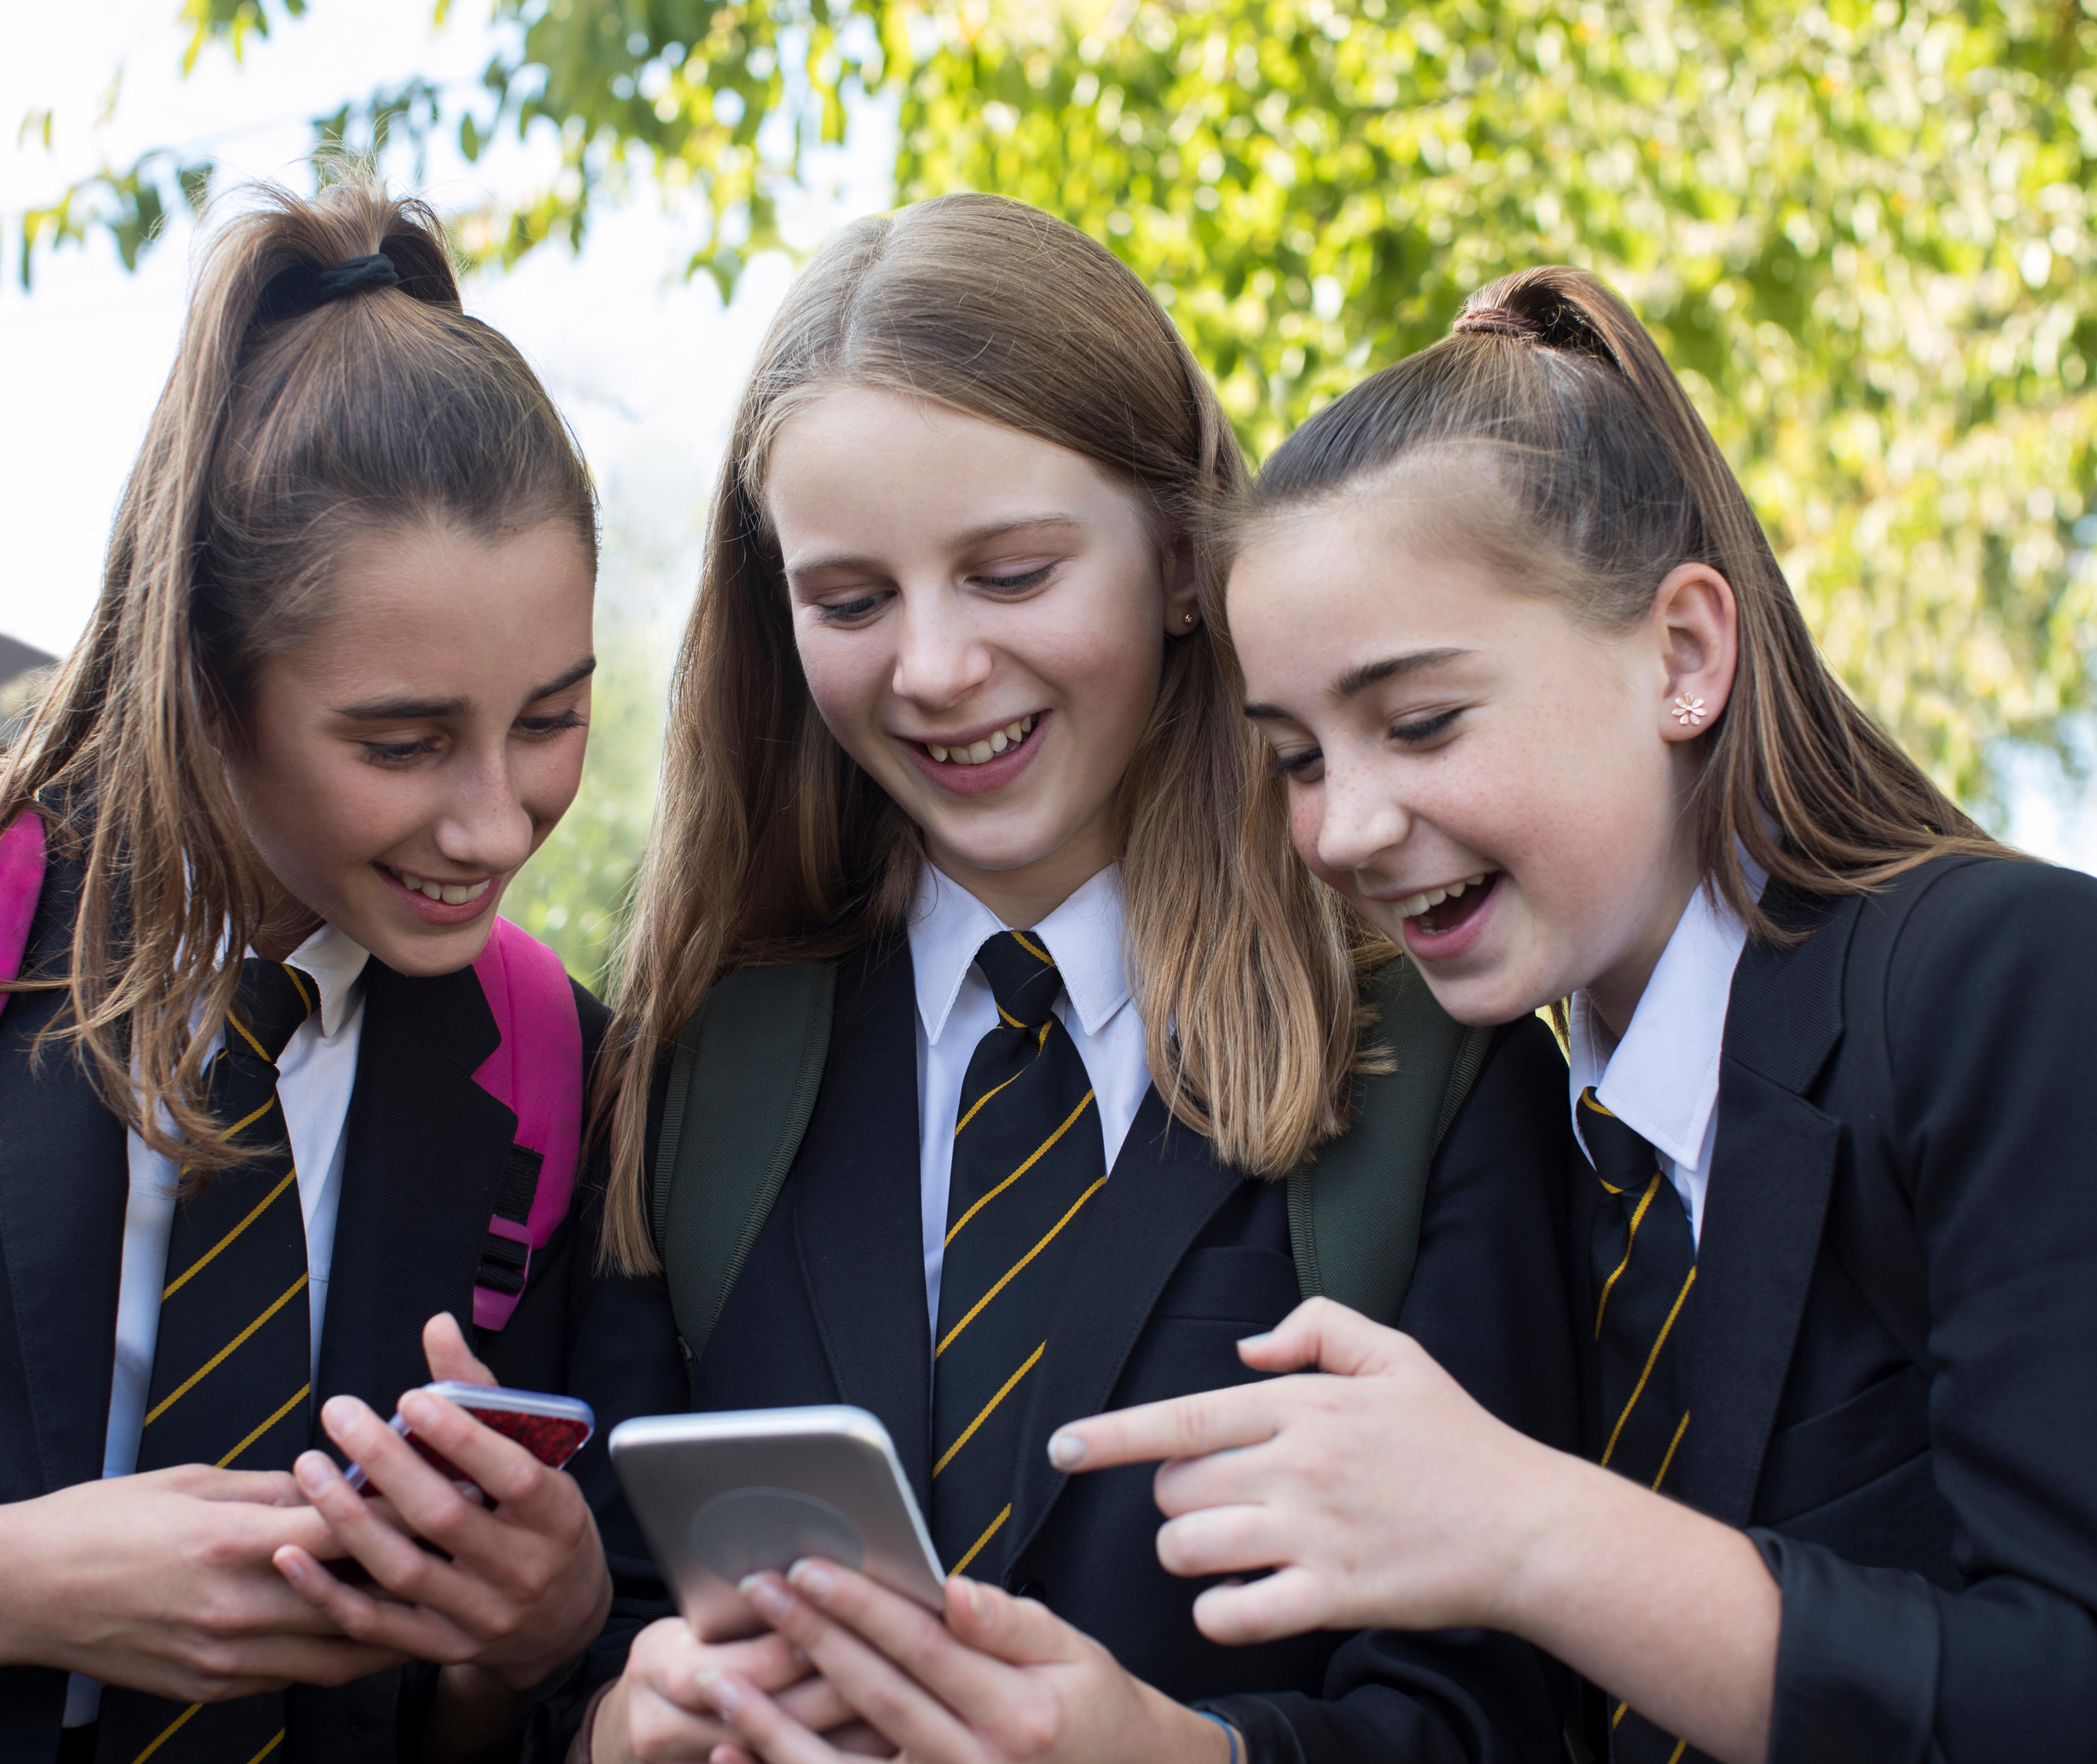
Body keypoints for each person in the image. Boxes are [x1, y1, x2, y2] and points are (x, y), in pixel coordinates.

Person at [1036, 266, 2097, 1764]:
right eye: (1298, 757)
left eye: (1421, 723)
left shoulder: (2011, 984)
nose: (1341, 829)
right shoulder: (1542, 1147)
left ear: (1684, 657)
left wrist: (1527, 1527)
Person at [558, 194, 1584, 1764]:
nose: (935, 669)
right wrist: (620, 1727)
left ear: (1183, 561)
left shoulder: (1429, 1058)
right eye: (849, 601)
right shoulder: (693, 1069)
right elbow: (599, 1642)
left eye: (1013, 574)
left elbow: (1506, 1719)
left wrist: (1183, 1755)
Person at [0, 177, 623, 1762]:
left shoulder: (547, 1073)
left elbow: (463, 1728)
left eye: (549, 719)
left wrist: (530, 1642)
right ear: (201, 678)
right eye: (401, 742)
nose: (495, 822)